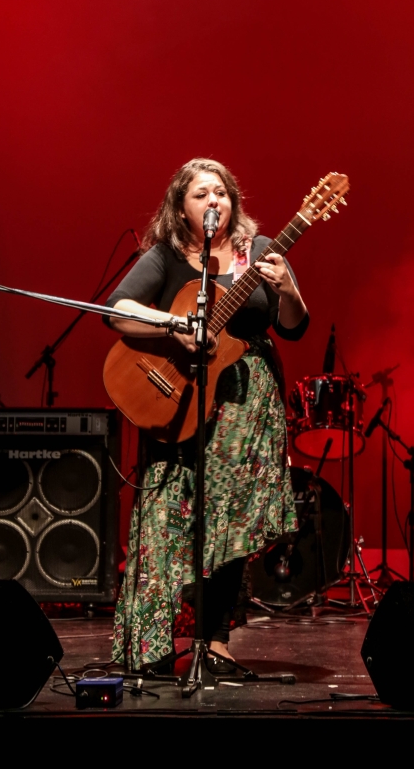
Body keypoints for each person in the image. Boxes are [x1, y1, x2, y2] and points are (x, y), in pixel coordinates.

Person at [105, 158, 309, 673]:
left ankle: (214, 641)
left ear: (233, 202)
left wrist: (286, 287)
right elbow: (118, 308)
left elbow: (293, 326)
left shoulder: (259, 253)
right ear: (180, 206)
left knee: (232, 521)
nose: (213, 200)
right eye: (200, 194)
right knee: (163, 515)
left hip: (246, 402)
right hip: (180, 401)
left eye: (221, 192)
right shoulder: (166, 256)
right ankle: (147, 646)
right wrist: (176, 325)